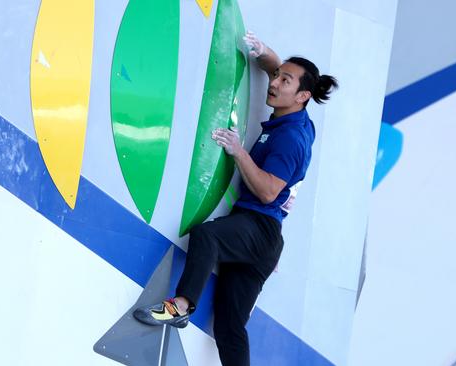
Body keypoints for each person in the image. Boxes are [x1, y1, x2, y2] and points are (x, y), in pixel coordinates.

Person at [133, 31, 338, 366]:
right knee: (229, 327)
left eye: (284, 80)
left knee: (206, 235)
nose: (274, 83)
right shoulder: (297, 113)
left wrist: (238, 152)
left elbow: (269, 190)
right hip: (263, 244)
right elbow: (280, 71)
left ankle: (180, 307)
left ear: (301, 95)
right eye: (277, 76)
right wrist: (266, 53)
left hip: (259, 229)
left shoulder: (291, 139)